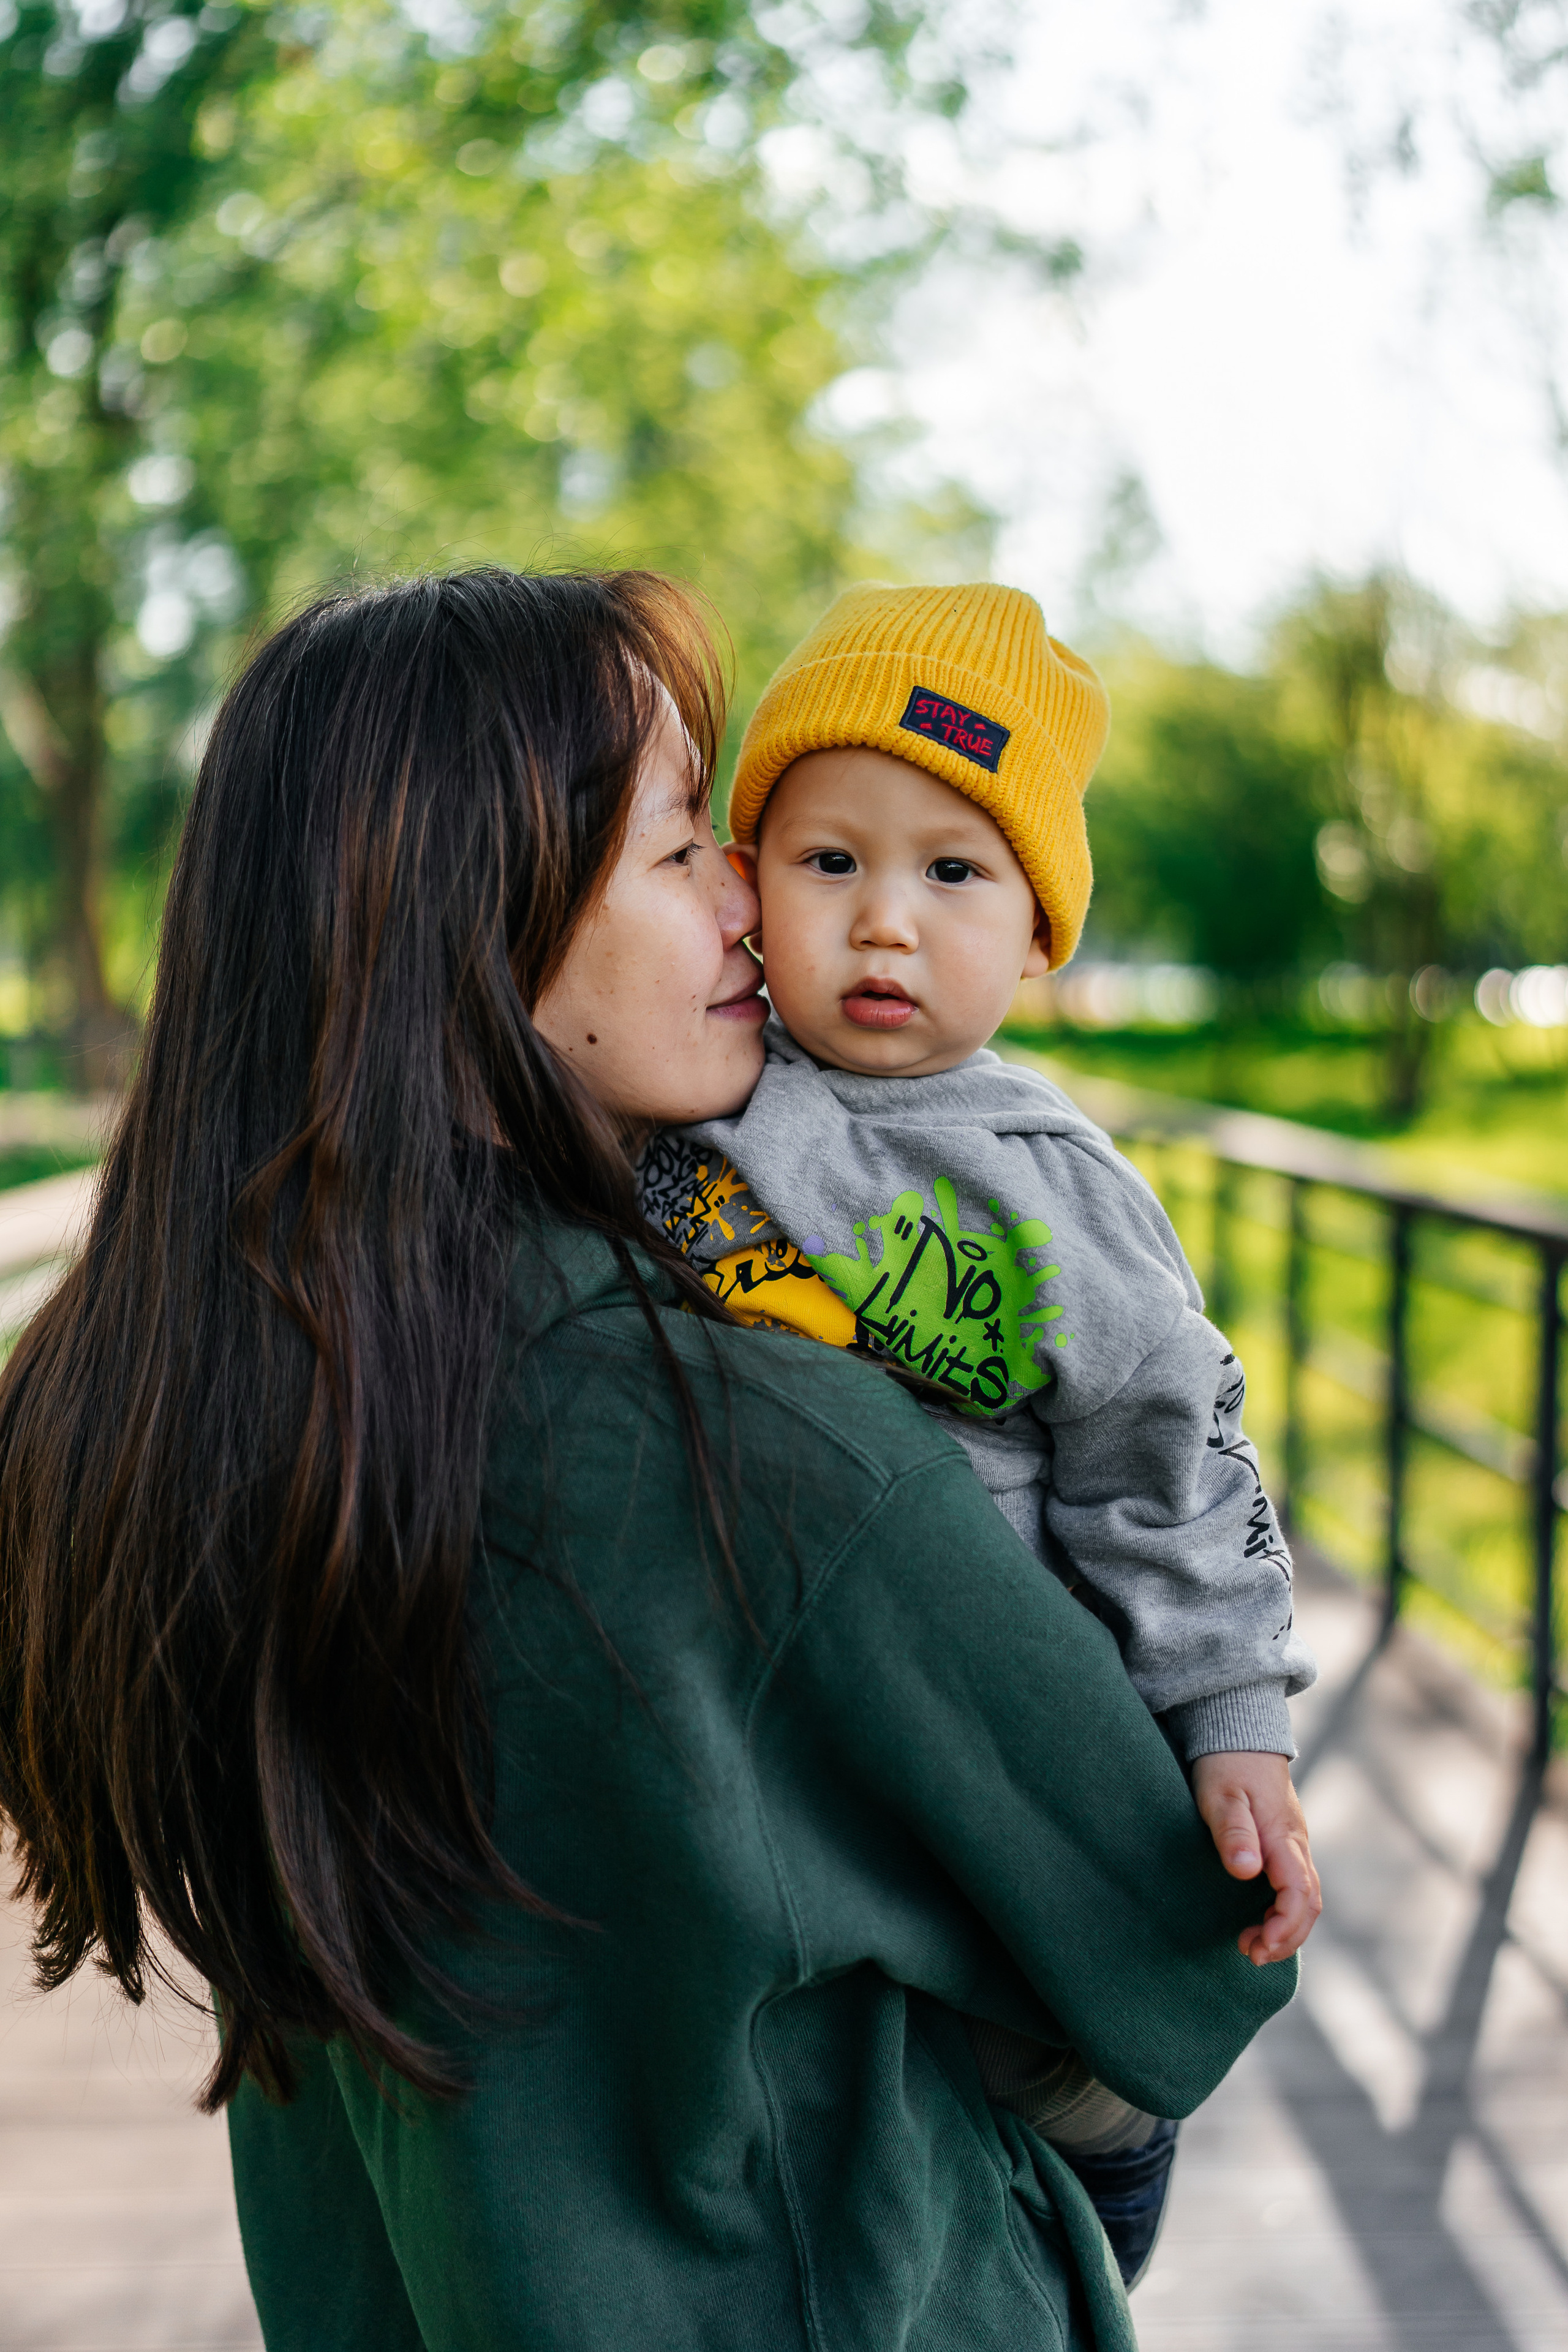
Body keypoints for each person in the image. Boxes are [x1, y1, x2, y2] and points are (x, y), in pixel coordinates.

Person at [0, 568, 1298, 2352]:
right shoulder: (763, 1453)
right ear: (473, 913)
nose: (755, 905)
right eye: (691, 845)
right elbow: (1175, 1954)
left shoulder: (160, 1399)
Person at [639, 582, 1323, 2266]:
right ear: (744, 883)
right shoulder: (693, 1091)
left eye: (953, 873)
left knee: (1068, 2157)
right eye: (831, 862)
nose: (885, 923)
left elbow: (1175, 1461)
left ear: (1035, 936)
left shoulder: (1045, 1189)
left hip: (1025, 1795)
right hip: (821, 1802)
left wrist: (1235, 1717)